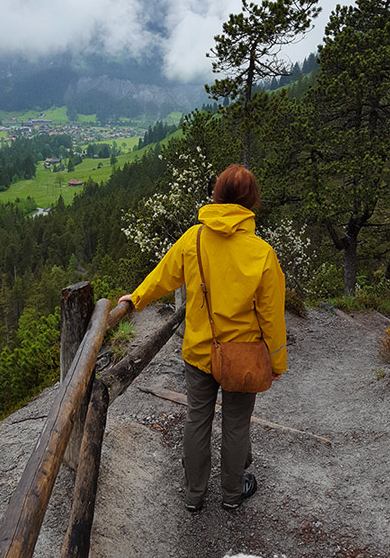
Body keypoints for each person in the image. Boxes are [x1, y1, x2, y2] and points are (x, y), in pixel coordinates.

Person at [118, 164, 287, 512]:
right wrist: (276, 362)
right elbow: (272, 317)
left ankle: (194, 495)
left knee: (197, 419)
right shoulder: (262, 253)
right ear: (251, 201)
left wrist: (136, 298)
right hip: (242, 356)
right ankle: (231, 494)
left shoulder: (194, 238)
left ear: (217, 195)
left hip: (199, 351)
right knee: (236, 424)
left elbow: (163, 276)